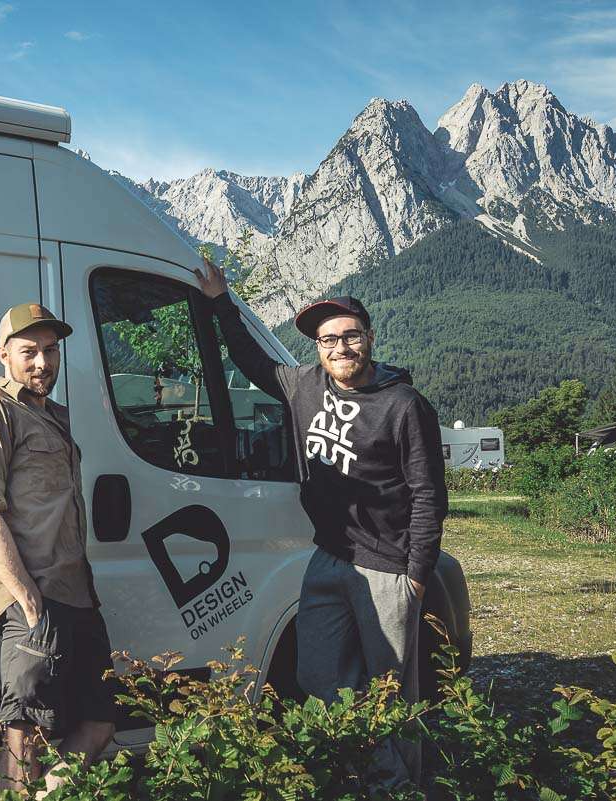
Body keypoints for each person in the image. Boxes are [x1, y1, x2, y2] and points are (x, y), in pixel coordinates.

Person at [195, 261, 446, 786]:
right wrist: (220, 300)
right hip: (330, 556)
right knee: (318, 674)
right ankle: (372, 769)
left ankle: (401, 788)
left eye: (350, 337)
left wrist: (417, 574)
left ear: (369, 338)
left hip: (387, 566)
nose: (339, 348)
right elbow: (250, 360)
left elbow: (428, 494)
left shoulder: (403, 406)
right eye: (327, 340)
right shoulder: (305, 385)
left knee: (393, 689)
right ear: (317, 348)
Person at [0, 303, 116, 797]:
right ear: (4, 355)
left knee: (101, 722)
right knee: (26, 734)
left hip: (76, 593)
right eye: (29, 352)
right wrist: (24, 595)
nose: (43, 362)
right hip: (35, 596)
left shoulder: (49, 415)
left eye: (50, 350)